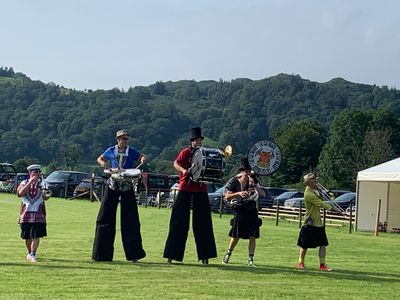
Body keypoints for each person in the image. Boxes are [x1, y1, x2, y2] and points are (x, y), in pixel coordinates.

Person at [163, 127, 217, 264]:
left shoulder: (205, 152)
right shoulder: (186, 152)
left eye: (199, 140)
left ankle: (205, 256)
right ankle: (172, 255)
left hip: (201, 189)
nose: (198, 142)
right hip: (185, 188)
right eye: (196, 140)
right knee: (178, 222)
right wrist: (184, 170)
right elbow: (176, 163)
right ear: (192, 141)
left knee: (203, 224)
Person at [92, 129, 148, 262]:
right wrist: (102, 163)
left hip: (127, 185)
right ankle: (102, 255)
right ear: (118, 140)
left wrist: (143, 158)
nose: (125, 141)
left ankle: (134, 255)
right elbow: (100, 158)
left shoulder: (132, 151)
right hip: (113, 184)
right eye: (123, 139)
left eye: (126, 139)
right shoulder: (111, 150)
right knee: (105, 218)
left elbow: (141, 156)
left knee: (131, 219)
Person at [221, 158, 265, 266]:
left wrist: (254, 186)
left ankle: (250, 259)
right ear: (241, 171)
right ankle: (228, 254)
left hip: (251, 210)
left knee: (252, 235)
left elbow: (263, 194)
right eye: (246, 171)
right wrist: (239, 193)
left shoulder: (254, 182)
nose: (248, 173)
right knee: (236, 236)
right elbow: (227, 196)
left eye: (249, 171)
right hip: (239, 210)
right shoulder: (235, 182)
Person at [297, 173, 339, 271]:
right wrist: (333, 209)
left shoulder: (315, 191)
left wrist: (321, 193)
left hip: (318, 223)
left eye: (316, 180)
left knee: (323, 244)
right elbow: (320, 203)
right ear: (308, 183)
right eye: (313, 180)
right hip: (309, 222)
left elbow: (321, 199)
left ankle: (322, 265)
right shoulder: (308, 193)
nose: (316, 182)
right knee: (304, 245)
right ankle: (300, 263)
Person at [17, 164, 49, 263]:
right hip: (26, 214)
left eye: (39, 172)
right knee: (27, 236)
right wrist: (30, 182)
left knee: (36, 235)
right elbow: (20, 193)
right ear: (30, 173)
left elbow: (46, 197)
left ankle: (33, 253)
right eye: (36, 172)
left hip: (39, 213)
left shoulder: (42, 183)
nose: (38, 174)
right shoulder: (24, 182)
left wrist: (46, 193)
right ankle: (29, 252)